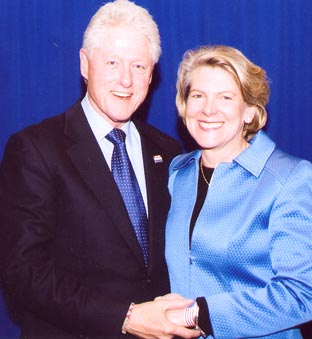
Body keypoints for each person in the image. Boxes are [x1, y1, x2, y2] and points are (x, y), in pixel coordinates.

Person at [0, 1, 199, 338]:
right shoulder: (35, 149)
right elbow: (23, 272)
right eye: (112, 62)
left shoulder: (168, 150)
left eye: (138, 65)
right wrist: (125, 317)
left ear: (152, 74)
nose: (126, 79)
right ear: (84, 64)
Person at [163, 45, 312, 338]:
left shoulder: (289, 178)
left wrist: (198, 314)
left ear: (250, 111)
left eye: (225, 97)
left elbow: (300, 294)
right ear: (184, 105)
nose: (208, 109)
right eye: (198, 96)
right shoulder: (178, 174)